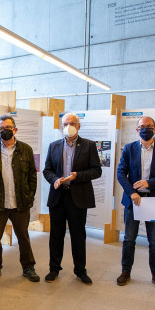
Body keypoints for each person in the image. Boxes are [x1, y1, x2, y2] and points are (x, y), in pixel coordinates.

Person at [116, 116, 155, 290]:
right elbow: (121, 173)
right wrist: (132, 192)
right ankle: (126, 271)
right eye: (142, 126)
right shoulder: (129, 149)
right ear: (137, 130)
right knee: (129, 239)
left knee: (154, 241)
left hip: (152, 200)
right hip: (134, 201)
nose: (145, 128)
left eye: (149, 126)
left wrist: (149, 183)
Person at [0, 114, 39, 282]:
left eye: (8, 128)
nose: (5, 131)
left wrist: (29, 196)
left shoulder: (25, 149)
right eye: (2, 128)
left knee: (23, 237)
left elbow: (32, 178)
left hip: (20, 202)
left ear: (15, 129)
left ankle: (29, 267)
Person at [43, 113, 102, 284]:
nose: (68, 126)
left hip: (78, 197)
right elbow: (47, 170)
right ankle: (54, 269)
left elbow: (96, 170)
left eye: (72, 123)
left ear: (79, 126)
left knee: (78, 235)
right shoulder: (53, 146)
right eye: (66, 123)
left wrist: (77, 176)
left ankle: (80, 270)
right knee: (56, 235)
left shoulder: (89, 146)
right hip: (58, 196)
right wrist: (54, 180)